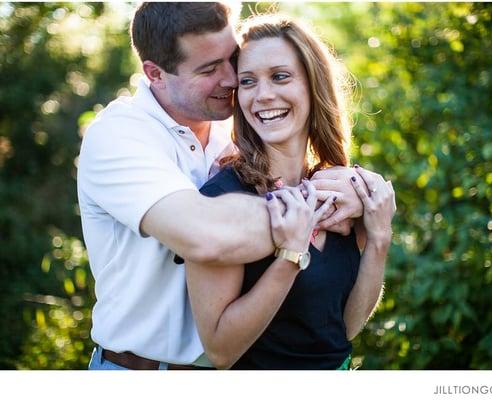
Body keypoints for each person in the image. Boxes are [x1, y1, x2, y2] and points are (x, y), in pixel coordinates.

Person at [77, 3, 368, 370]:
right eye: (209, 69)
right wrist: (324, 203)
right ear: (156, 74)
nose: (231, 78)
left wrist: (358, 193)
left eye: (231, 58)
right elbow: (207, 235)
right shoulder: (120, 136)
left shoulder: (231, 136)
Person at [186, 14, 396, 370]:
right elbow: (220, 350)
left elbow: (343, 330)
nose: (263, 95)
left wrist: (379, 237)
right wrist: (290, 255)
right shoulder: (223, 198)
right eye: (248, 81)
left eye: (280, 76)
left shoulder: (337, 194)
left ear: (313, 86)